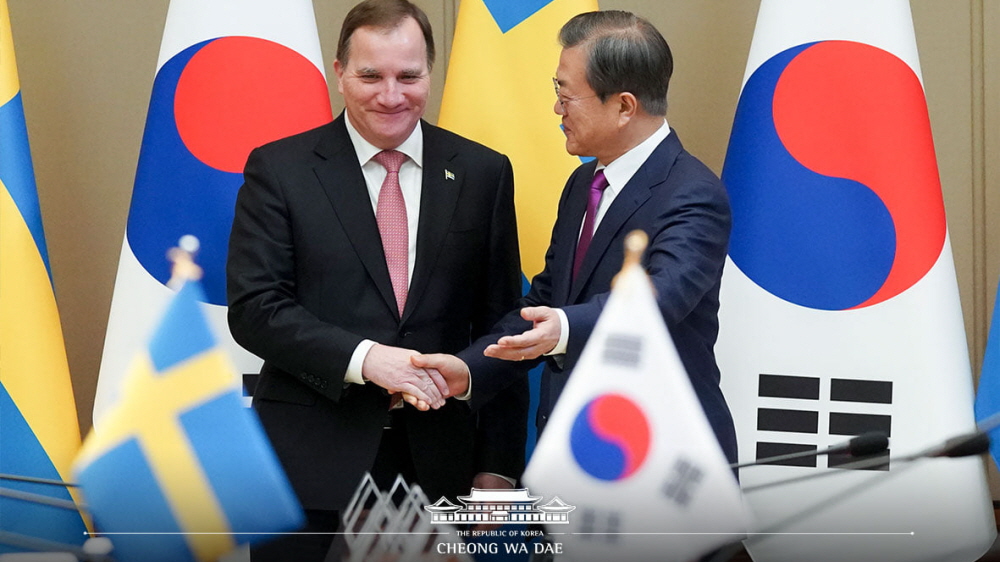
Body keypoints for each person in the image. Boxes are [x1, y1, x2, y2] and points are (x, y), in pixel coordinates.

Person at [226, 1, 527, 559]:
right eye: (371, 75)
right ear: (339, 71)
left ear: (429, 75)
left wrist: (498, 471)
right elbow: (255, 308)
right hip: (308, 470)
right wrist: (367, 359)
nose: (392, 95)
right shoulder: (280, 170)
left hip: (443, 469)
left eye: (409, 76)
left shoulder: (484, 172)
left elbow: (502, 326)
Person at [413, 9, 738, 465]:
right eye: (557, 91)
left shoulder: (693, 194)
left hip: (660, 465)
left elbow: (659, 304)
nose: (557, 109)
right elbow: (548, 297)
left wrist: (562, 328)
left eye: (567, 96)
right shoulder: (583, 184)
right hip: (578, 456)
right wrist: (470, 368)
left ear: (624, 106)